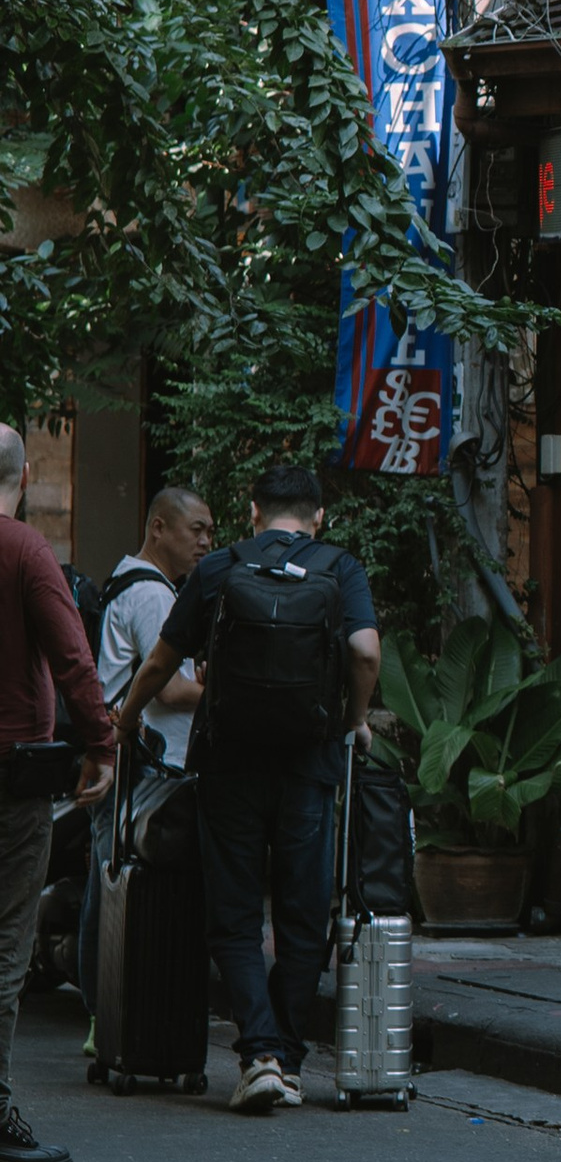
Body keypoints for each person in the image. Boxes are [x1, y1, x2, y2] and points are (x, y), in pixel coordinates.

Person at [117, 463, 380, 1115]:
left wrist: (124, 720)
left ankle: (259, 1053)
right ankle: (285, 1062)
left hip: (228, 765)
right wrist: (354, 721)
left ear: (254, 512)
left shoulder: (220, 568)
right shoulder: (339, 568)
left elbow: (160, 661)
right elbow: (366, 652)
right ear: (318, 517)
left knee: (233, 917)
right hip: (309, 766)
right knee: (300, 915)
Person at [0, 426, 116, 1162]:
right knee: (7, 942)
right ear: (27, 473)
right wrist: (102, 744)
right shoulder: (25, 551)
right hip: (12, 778)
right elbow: (74, 658)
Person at [79, 484, 215, 1022]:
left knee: (108, 884)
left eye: (210, 531)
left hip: (130, 764)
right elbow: (172, 689)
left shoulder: (128, 579)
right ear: (159, 528)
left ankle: (108, 1014)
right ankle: (111, 1014)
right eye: (196, 529)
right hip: (144, 770)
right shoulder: (154, 594)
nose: (206, 541)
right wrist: (223, 686)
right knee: (116, 892)